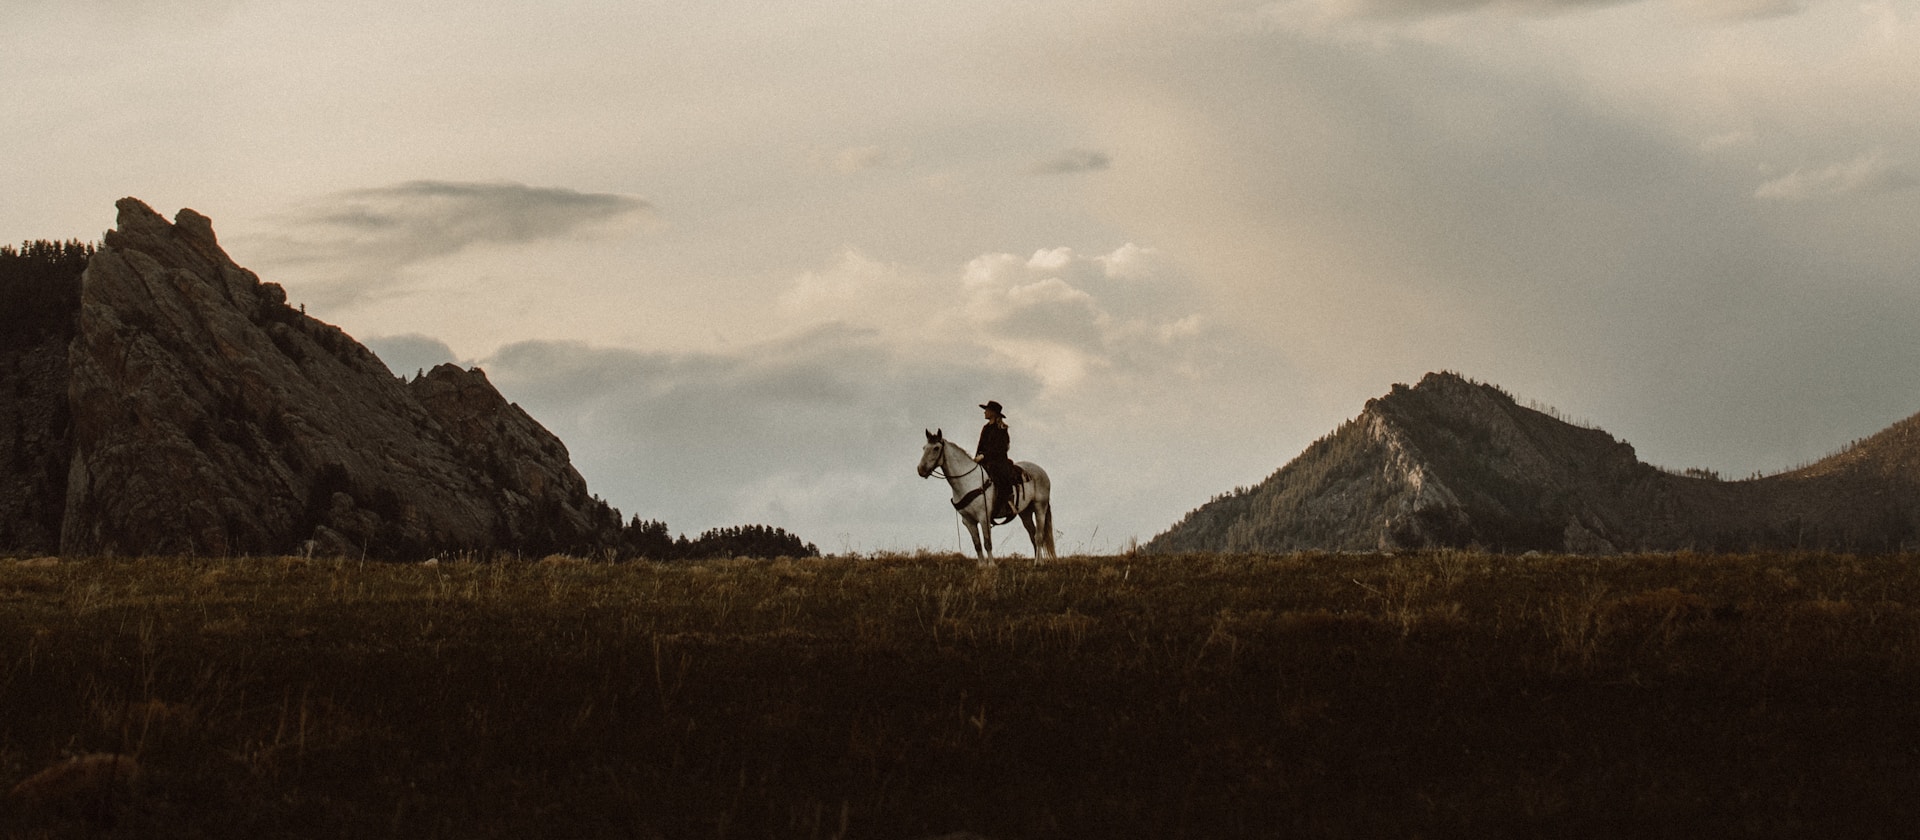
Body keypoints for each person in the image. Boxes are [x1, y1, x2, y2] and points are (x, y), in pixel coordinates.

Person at [974, 401, 1023, 521]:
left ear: (993, 413)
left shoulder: (1002, 429)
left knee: (1000, 474)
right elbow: (981, 445)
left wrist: (984, 456)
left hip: (998, 460)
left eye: (987, 410)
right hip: (984, 460)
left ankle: (1008, 502)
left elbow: (1001, 448)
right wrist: (977, 457)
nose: (985, 412)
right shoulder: (985, 428)